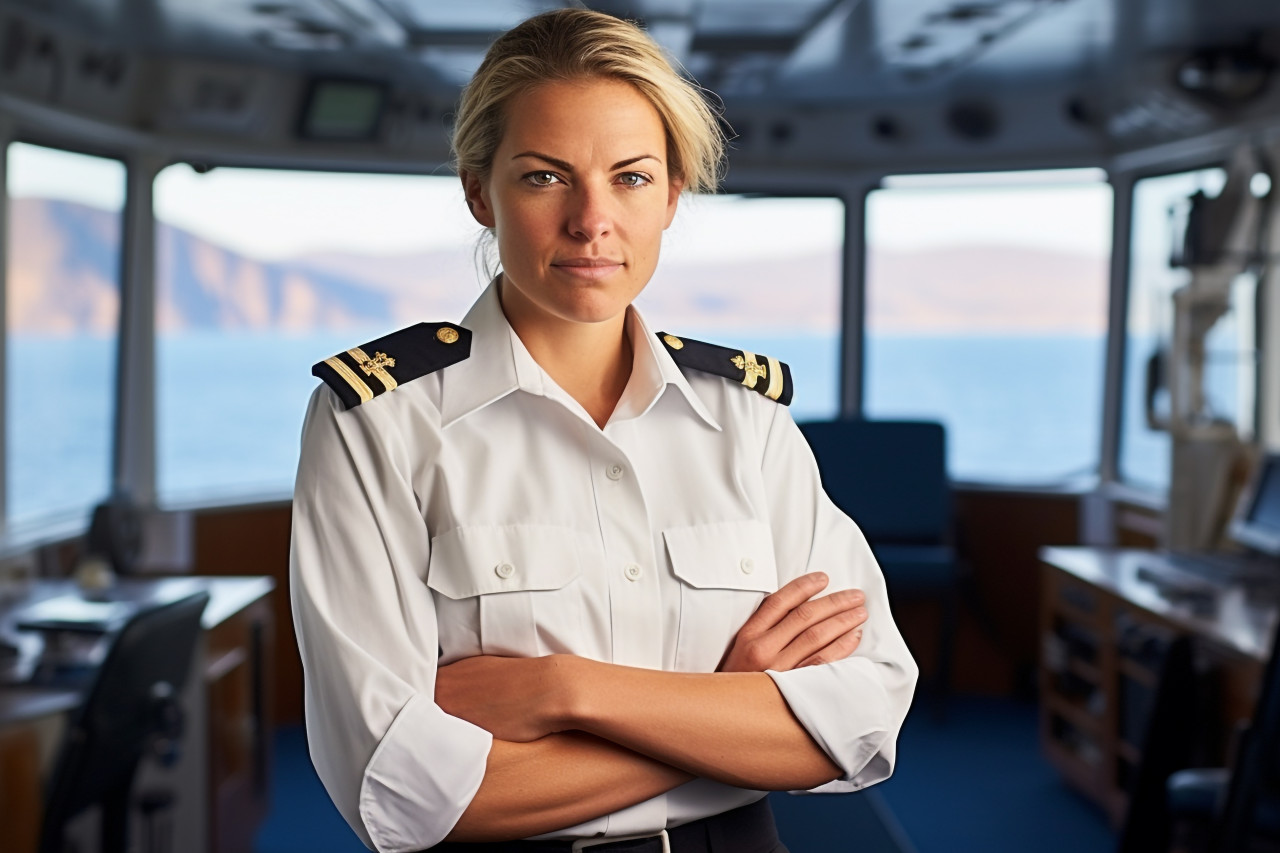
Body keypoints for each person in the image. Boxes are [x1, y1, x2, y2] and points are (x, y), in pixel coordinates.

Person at [290, 8, 918, 853]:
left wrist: (566, 690)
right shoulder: (377, 423)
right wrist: (729, 701)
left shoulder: (746, 419)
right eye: (546, 177)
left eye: (630, 177)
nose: (593, 220)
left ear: (671, 194)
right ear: (480, 191)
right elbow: (404, 790)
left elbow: (863, 718)